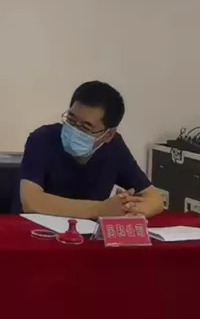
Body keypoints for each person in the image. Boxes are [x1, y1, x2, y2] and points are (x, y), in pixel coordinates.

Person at [18, 80, 165, 219]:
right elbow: (32, 202)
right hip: (34, 231)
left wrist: (129, 208)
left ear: (108, 135)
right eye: (71, 120)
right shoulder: (42, 138)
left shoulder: (114, 147)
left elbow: (155, 199)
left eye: (86, 127)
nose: (75, 129)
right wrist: (101, 209)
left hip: (87, 233)